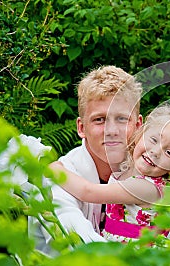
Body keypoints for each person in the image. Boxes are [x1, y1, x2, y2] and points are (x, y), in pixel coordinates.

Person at [28, 65, 143, 256]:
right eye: (99, 120)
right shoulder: (58, 179)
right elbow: (80, 245)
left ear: (138, 125)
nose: (111, 130)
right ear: (81, 128)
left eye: (122, 119)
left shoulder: (149, 174)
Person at [50, 104, 170, 242]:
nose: (156, 151)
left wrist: (55, 170)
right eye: (153, 139)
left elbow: (87, 192)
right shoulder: (128, 167)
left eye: (169, 152)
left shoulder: (146, 187)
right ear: (140, 133)